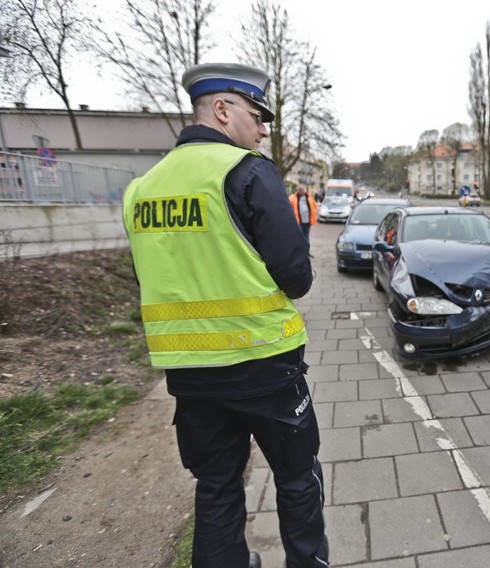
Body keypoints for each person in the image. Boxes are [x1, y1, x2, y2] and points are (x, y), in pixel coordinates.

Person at [122, 62, 328, 568]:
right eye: (258, 116)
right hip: (264, 364)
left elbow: (150, 277)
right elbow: (296, 277)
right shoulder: (247, 171)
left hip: (190, 375)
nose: (262, 129)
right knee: (298, 478)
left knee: (216, 485)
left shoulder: (140, 189)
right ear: (221, 109)